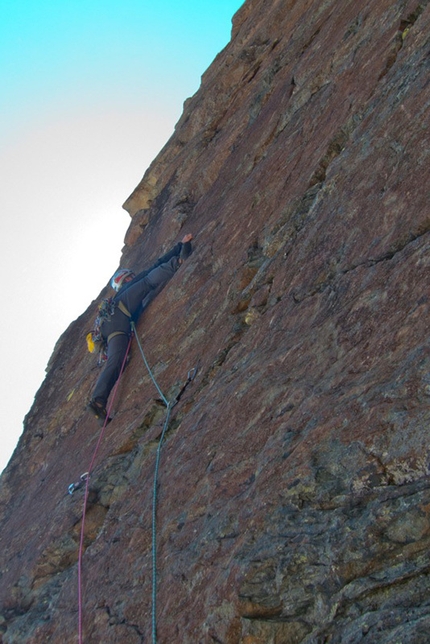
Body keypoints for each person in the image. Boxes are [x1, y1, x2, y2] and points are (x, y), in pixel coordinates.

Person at [88, 234, 193, 421]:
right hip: (119, 315)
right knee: (147, 281)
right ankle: (178, 262)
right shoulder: (127, 291)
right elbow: (152, 271)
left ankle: (98, 401)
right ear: (125, 280)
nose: (133, 277)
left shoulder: (118, 299)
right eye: (130, 277)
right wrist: (179, 249)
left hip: (112, 331)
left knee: (116, 362)